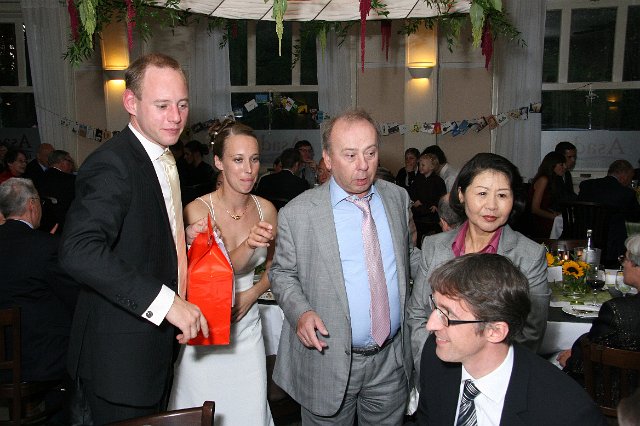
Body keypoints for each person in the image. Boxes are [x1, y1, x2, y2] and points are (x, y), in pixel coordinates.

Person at [59, 53, 209, 424]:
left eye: (182, 104)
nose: (175, 117)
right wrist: (168, 303)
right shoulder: (113, 162)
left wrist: (180, 238)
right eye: (162, 105)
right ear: (131, 102)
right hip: (118, 359)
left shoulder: (161, 155)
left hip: (151, 348)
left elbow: (136, 233)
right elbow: (78, 250)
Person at [269, 108, 421, 424]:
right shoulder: (298, 213)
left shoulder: (397, 198)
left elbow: (408, 256)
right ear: (327, 158)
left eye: (370, 153)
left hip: (391, 360)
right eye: (350, 155)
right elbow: (282, 273)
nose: (363, 165)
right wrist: (301, 312)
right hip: (327, 361)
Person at [415, 253, 605, 426]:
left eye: (447, 315)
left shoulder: (568, 413)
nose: (430, 325)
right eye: (435, 307)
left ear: (495, 331)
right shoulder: (436, 357)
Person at [169, 120, 276, 426]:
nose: (248, 170)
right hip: (207, 326)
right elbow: (219, 271)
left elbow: (277, 265)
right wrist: (248, 244)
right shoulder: (197, 211)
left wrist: (251, 294)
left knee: (248, 410)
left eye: (254, 159)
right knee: (200, 408)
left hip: (247, 329)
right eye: (238, 160)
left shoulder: (266, 209)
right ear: (218, 162)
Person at [407, 153, 550, 377]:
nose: (491, 206)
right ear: (461, 194)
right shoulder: (434, 246)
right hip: (435, 368)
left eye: (502, 195)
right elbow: (417, 313)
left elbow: (530, 333)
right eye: (482, 193)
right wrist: (431, 365)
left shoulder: (529, 256)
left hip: (491, 378)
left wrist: (480, 376)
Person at [0, 178, 79, 383]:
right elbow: (75, 298)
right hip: (40, 361)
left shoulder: (44, 245)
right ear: (32, 204)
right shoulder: (46, 247)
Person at [558, 234, 640, 378]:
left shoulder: (617, 311)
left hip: (616, 389)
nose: (623, 264)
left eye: (625, 259)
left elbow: (585, 363)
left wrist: (573, 360)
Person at [579, 159, 640, 264]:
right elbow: (635, 216)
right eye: (630, 178)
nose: (630, 182)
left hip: (582, 234)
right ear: (624, 176)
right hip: (612, 242)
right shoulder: (626, 193)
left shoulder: (586, 185)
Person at [409, 153, 447, 243]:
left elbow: (442, 195)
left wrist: (436, 204)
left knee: (433, 235)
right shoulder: (418, 179)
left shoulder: (438, 181)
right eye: (419, 165)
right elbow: (412, 191)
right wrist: (415, 200)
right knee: (418, 234)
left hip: (431, 214)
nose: (420, 167)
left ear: (432, 167)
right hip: (418, 214)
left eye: (423, 165)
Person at [37, 150, 76, 232]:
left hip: (42, 225)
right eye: (70, 161)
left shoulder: (39, 177)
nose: (72, 165)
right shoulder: (70, 180)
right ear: (62, 161)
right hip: (65, 226)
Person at [529, 151, 566, 238]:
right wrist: (553, 216)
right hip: (537, 221)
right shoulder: (543, 179)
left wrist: (554, 213)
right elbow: (535, 209)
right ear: (552, 165)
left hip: (543, 217)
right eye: (561, 164)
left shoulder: (552, 180)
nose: (565, 167)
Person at [181, 140, 215, 205]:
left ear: (196, 154)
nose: (185, 157)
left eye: (187, 154)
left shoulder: (207, 170)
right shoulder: (186, 169)